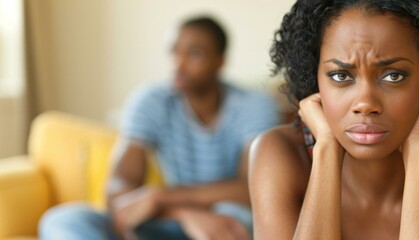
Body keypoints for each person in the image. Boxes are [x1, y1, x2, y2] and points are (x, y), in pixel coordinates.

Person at [249, 0, 419, 239]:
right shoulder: (280, 155)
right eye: (340, 76)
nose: (365, 104)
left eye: (393, 76)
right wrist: (326, 150)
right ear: (316, 80)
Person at [40, 16, 278, 240]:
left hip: (222, 221)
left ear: (220, 61)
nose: (178, 63)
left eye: (194, 54)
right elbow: (118, 194)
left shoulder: (254, 105)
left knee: (238, 218)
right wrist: (181, 214)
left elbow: (253, 191)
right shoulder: (151, 101)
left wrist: (161, 196)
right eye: (174, 51)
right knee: (62, 220)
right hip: (167, 219)